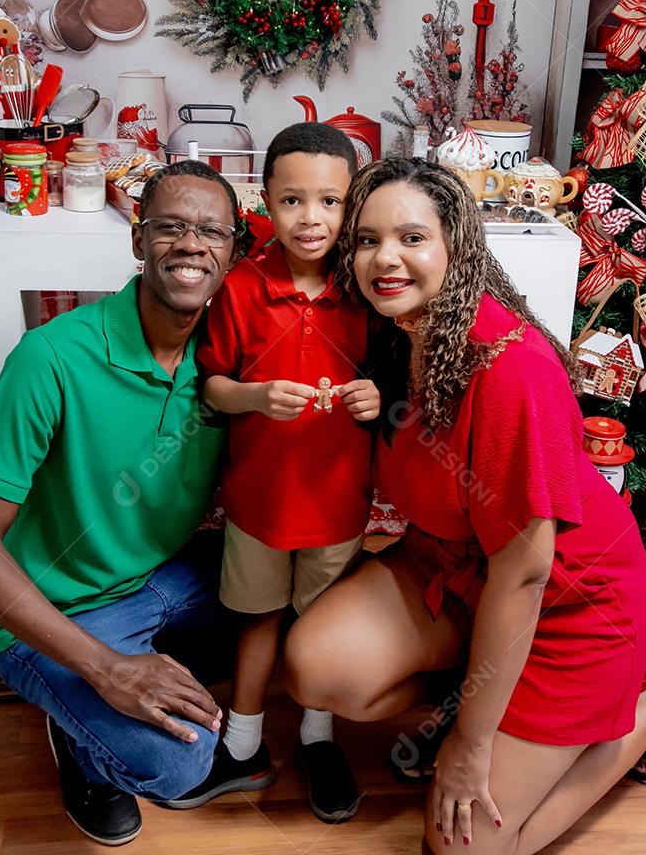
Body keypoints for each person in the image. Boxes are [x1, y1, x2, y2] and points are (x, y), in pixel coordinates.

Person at [281, 157, 646, 854]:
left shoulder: (511, 368)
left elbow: (524, 572)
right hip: (454, 568)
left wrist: (469, 742)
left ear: (456, 246)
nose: (383, 259)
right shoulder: (400, 335)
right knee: (315, 665)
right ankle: (483, 693)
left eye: (409, 238)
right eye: (365, 240)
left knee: (463, 849)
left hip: (567, 606)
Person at [0, 161, 241, 847]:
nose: (191, 245)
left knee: (296, 607)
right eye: (169, 227)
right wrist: (105, 669)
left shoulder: (228, 360)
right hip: (47, 609)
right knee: (175, 762)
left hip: (162, 580)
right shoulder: (52, 356)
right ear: (138, 242)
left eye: (210, 232)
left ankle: (109, 675)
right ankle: (83, 728)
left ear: (233, 252)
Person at [176, 123, 380, 823]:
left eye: (329, 201)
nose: (310, 217)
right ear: (263, 199)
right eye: (292, 199)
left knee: (319, 626)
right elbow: (211, 387)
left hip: (338, 502)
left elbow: (394, 385)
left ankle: (318, 739)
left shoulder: (366, 286)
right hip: (259, 500)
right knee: (257, 619)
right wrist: (256, 396)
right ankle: (243, 742)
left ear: (352, 206)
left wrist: (375, 398)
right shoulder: (240, 286)